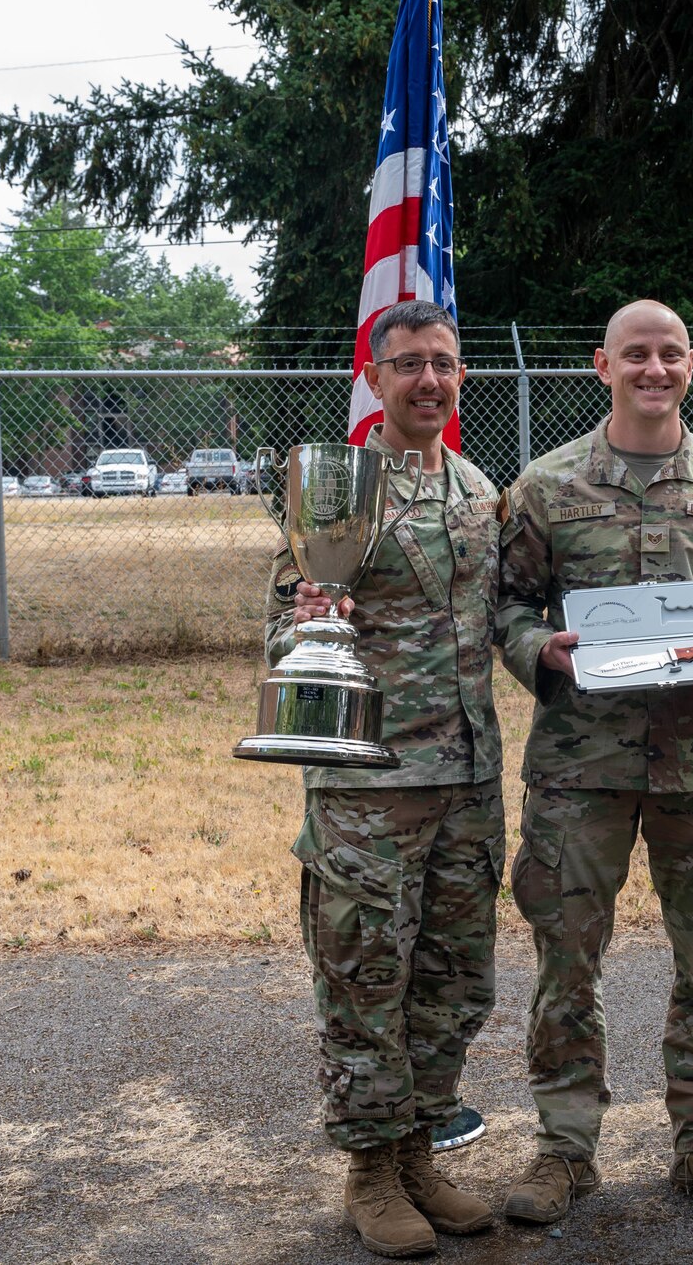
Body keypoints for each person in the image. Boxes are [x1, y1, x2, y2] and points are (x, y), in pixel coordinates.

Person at [495, 299, 693, 1225]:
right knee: (568, 961)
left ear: (690, 366)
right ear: (603, 365)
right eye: (637, 354)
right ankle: (565, 1147)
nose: (653, 368)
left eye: (670, 353)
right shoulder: (545, 488)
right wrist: (540, 649)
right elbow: (504, 603)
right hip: (581, 763)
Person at [267, 299, 503, 1258]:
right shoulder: (340, 492)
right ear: (374, 378)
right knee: (367, 973)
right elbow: (288, 628)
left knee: (453, 979)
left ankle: (419, 1153)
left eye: (443, 362)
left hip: (469, 778)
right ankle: (368, 1168)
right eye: (408, 364)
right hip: (368, 783)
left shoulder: (482, 489)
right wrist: (309, 615)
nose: (429, 381)